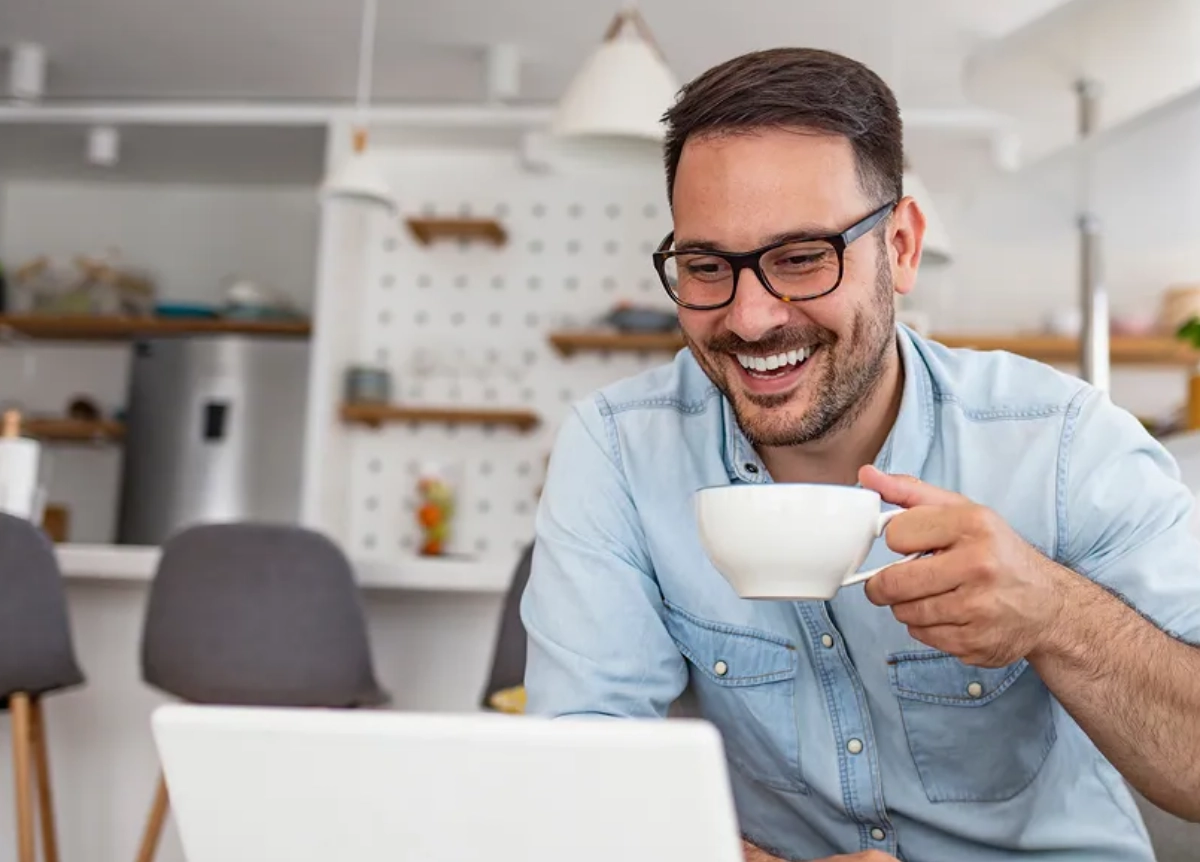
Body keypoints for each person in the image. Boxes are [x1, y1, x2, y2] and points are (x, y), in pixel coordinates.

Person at [520, 46, 1200, 862]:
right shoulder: (618, 451)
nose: (751, 318)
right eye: (706, 268)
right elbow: (580, 779)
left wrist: (1055, 614)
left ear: (902, 248)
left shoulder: (1063, 441)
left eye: (802, 258)